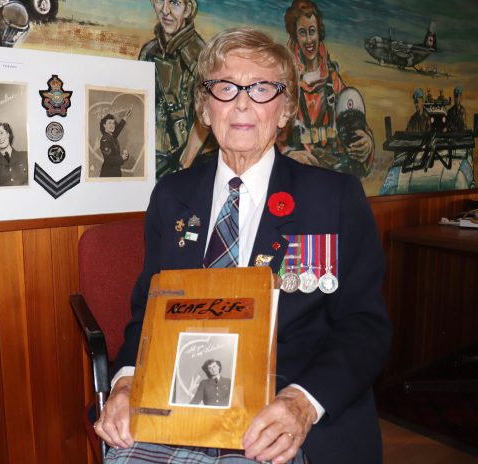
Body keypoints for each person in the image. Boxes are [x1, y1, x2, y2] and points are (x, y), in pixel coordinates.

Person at [95, 27, 391, 464]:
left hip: (282, 408)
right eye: (225, 86)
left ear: (286, 109)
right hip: (176, 402)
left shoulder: (335, 198)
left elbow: (365, 326)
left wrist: (301, 403)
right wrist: (124, 383)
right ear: (205, 106)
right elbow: (149, 315)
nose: (242, 102)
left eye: (262, 88)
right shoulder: (171, 196)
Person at [278, 0, 374, 178]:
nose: (309, 40)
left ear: (319, 32)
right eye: (302, 33)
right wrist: (289, 155)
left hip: (334, 176)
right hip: (300, 177)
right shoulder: (287, 84)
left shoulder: (334, 82)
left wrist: (366, 143)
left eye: (312, 31)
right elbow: (272, 138)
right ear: (295, 37)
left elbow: (356, 123)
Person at [139, 0, 214, 179]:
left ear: (188, 9)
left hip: (188, 168)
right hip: (152, 159)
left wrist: (183, 167)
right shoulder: (149, 52)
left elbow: (206, 120)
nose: (165, 11)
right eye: (159, 1)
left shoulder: (202, 59)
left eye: (174, 3)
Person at [99, 108, 132, 177]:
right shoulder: (105, 139)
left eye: (113, 123)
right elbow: (109, 160)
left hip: (115, 173)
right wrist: (121, 158)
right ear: (104, 125)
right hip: (108, 174)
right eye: (109, 123)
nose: (112, 125)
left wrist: (125, 156)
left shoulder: (111, 137)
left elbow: (118, 129)